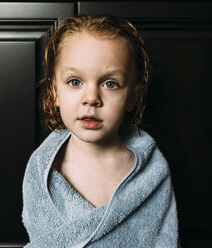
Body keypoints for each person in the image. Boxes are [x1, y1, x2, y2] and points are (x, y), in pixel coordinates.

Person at [22, 14, 179, 247]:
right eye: (75, 82)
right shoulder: (42, 170)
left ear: (132, 97)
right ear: (55, 92)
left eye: (110, 84)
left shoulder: (151, 174)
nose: (92, 99)